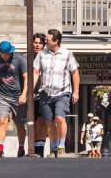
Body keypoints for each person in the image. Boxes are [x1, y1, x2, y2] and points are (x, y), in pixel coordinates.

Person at [33, 28, 80, 157]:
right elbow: (36, 72)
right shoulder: (42, 54)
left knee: (60, 117)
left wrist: (76, 92)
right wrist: (30, 89)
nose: (46, 41)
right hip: (46, 93)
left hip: (63, 92)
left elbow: (75, 73)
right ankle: (54, 148)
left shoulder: (67, 54)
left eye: (48, 39)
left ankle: (61, 146)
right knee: (49, 122)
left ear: (56, 41)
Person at [0, 41, 27, 157]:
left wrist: (24, 94)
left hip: (17, 96)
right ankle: (0, 150)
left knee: (19, 124)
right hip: (2, 95)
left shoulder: (20, 60)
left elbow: (26, 78)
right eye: (2, 53)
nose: (4, 56)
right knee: (2, 121)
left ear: (11, 52)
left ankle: (21, 148)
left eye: (6, 53)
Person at [31, 33, 47, 157]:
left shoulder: (47, 57)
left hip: (45, 94)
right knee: (34, 123)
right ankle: (33, 148)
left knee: (42, 122)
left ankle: (40, 150)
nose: (37, 45)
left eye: (40, 43)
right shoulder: (26, 58)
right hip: (32, 96)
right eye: (35, 42)